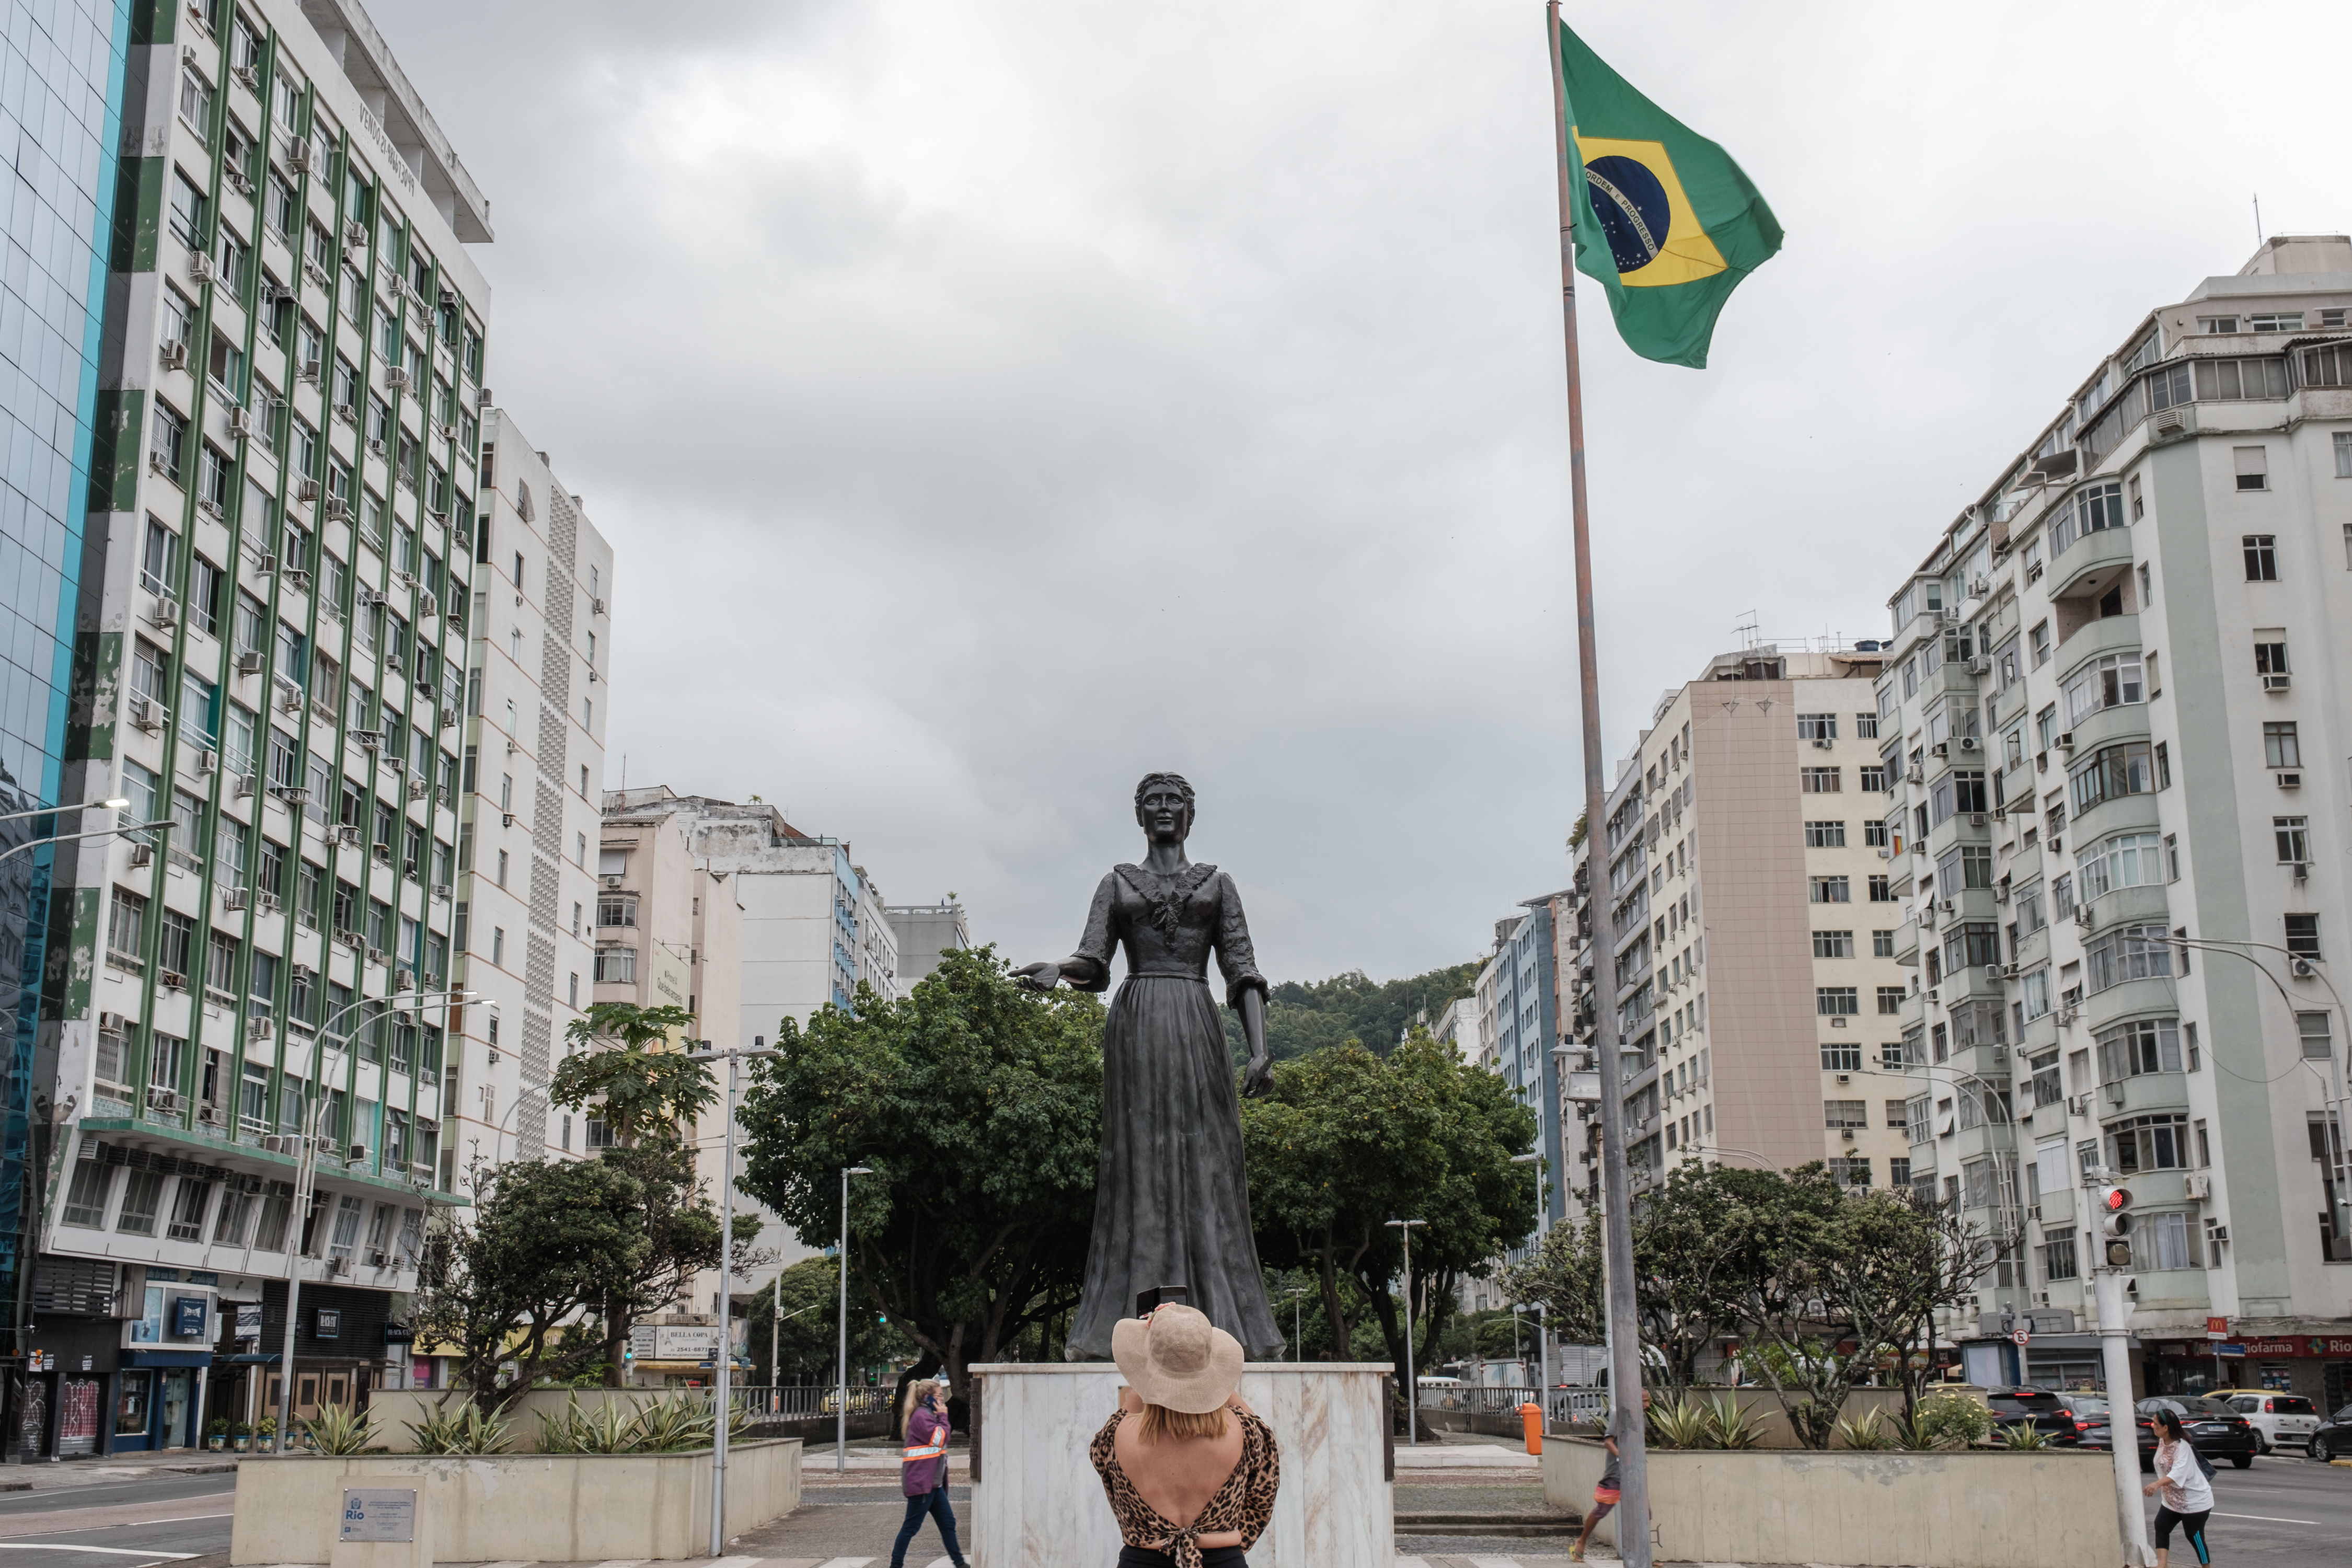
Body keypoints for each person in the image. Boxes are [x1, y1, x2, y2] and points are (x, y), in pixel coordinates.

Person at [1015, 773, 1285, 1360]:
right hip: (1137, 1026)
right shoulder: (1117, 883)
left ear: (1191, 814)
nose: (1164, 809)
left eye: (1174, 801)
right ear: (1140, 815)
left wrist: (1259, 1048)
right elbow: (1094, 960)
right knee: (1135, 1163)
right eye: (1153, 802)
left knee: (1206, 1157)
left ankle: (1223, 1316)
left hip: (1195, 1016)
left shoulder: (1218, 884)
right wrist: (1058, 970)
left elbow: (1243, 971)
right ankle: (1118, 1321)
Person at [1090, 1303, 1280, 1568]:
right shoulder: (1246, 1433)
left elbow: (1100, 1452)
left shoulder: (1116, 1437)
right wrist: (1211, 1375)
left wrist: (1151, 1366)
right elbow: (1263, 1490)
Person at [890, 1377, 967, 1568]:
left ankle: (960, 1563)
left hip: (932, 1483)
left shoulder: (926, 1414)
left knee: (948, 1523)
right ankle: (895, 1565)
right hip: (922, 1483)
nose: (942, 1400)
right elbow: (940, 1438)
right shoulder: (922, 1416)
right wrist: (943, 1416)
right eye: (939, 1396)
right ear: (928, 1398)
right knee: (911, 1527)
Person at [1571, 1388, 1653, 1564]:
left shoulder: (1642, 1418)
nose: (1647, 1405)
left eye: (1648, 1401)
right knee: (1601, 1510)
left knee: (1644, 1513)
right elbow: (1608, 1443)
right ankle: (1582, 1541)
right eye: (1643, 1401)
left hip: (1635, 1475)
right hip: (1616, 1475)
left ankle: (1644, 1553)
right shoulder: (1619, 1415)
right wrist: (1624, 1460)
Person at [2140, 1406, 2213, 1568]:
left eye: (2155, 1424)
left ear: (2166, 1428)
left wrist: (2156, 1484)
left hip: (2195, 1501)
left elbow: (2178, 1474)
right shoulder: (2163, 1441)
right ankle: (2162, 1566)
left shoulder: (2183, 1447)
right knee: (2161, 1526)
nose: (2152, 1426)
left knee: (2194, 1535)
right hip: (2172, 1501)